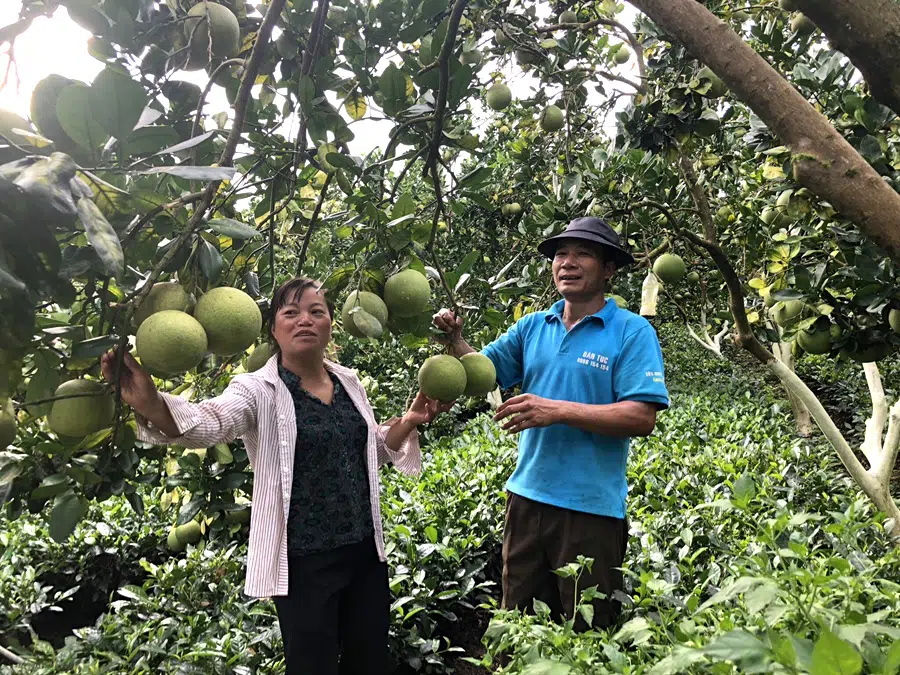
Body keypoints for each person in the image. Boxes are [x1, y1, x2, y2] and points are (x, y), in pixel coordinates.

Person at [101, 277, 454, 675]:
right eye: (291, 312)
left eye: (316, 312)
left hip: (364, 553)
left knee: (369, 661)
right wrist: (151, 402)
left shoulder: (349, 382)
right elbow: (212, 421)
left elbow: (365, 451)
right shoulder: (257, 390)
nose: (304, 320)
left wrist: (409, 420)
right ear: (273, 327)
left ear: (330, 324)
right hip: (304, 565)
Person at [433, 216, 670, 629]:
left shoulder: (632, 333)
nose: (567, 262)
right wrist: (455, 341)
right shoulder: (532, 326)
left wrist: (557, 410)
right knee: (518, 626)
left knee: (587, 632)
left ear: (609, 269)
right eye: (561, 253)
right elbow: (482, 374)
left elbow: (641, 416)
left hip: (590, 511)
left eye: (582, 254)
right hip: (525, 500)